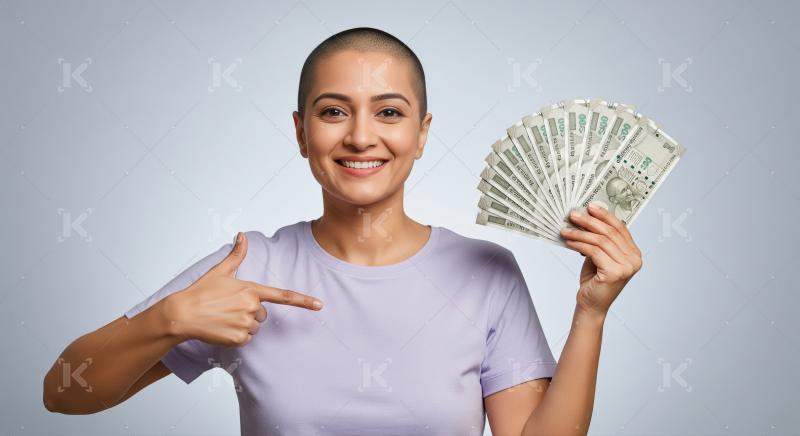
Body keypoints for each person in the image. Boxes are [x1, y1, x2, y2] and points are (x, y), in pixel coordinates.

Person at [42, 26, 643, 435]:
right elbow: (65, 392)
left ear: (422, 132)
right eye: (334, 112)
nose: (361, 136)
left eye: (389, 111)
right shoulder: (249, 268)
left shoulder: (487, 273)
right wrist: (167, 319)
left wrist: (592, 312)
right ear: (302, 132)